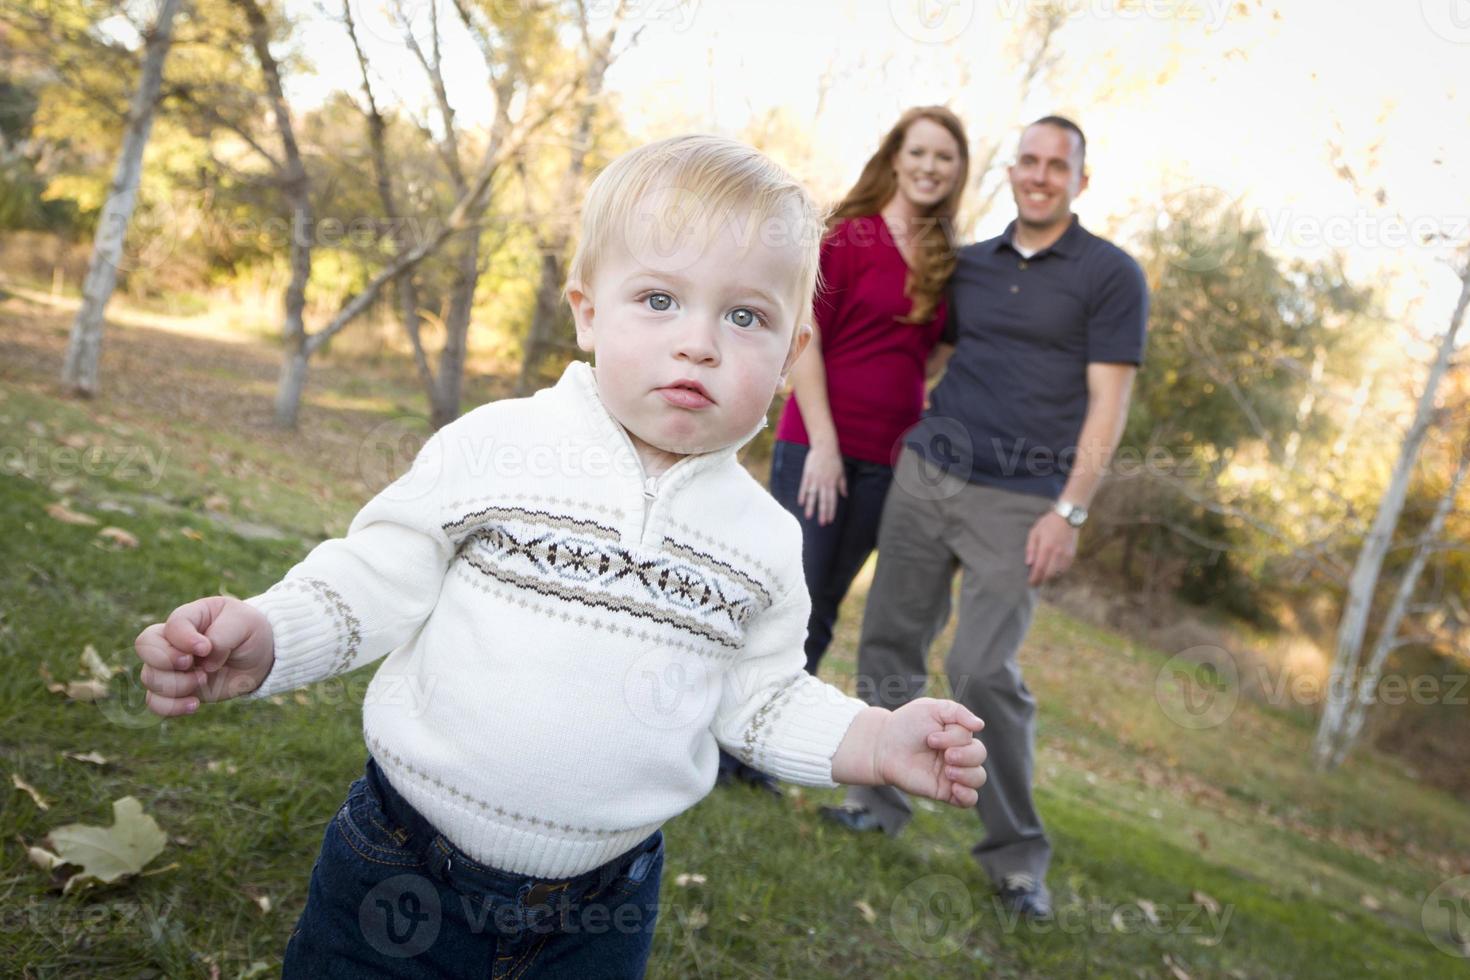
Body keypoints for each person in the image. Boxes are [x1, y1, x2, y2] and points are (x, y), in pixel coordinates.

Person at [133, 135, 993, 978]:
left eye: (745, 316)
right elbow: (373, 577)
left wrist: (874, 739)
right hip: (398, 866)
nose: (699, 341)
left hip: (599, 910)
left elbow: (758, 695)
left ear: (790, 356)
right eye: (658, 299)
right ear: (587, 309)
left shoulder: (763, 540)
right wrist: (270, 632)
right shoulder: (500, 446)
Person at [822, 116, 1149, 923]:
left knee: (980, 670)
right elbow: (928, 354)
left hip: (1023, 500)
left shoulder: (1111, 275)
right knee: (890, 640)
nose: (1040, 175)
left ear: (1081, 178)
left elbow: (1110, 403)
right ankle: (878, 800)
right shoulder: (966, 266)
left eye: (1057, 165)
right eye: (1028, 161)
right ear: (1011, 171)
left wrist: (1069, 511)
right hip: (930, 472)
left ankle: (1015, 860)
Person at [717, 106, 969, 797]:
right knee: (782, 597)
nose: (929, 166)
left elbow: (935, 350)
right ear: (895, 157)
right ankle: (715, 734)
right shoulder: (847, 238)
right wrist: (824, 445)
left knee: (823, 606)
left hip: (889, 462)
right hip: (818, 445)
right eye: (918, 152)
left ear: (956, 172)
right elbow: (808, 339)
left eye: (943, 157)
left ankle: (759, 748)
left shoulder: (944, 259)